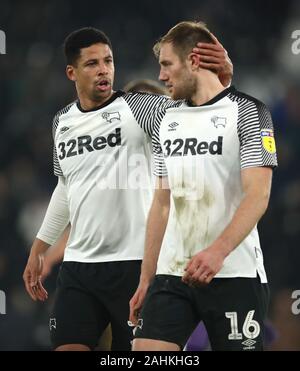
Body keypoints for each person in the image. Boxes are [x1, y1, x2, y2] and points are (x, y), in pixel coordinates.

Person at [23, 27, 233, 351]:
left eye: (108, 61)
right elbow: (65, 187)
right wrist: (40, 247)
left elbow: (197, 113)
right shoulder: (61, 122)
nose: (104, 69)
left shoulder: (140, 109)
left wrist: (220, 79)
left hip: (133, 265)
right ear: (71, 72)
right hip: (78, 269)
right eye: (92, 63)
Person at [130, 21, 278, 351]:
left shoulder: (249, 111)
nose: (162, 76)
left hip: (233, 273)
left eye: (167, 65)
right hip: (172, 275)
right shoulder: (164, 119)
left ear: (194, 61)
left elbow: (258, 194)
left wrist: (217, 252)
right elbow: (162, 203)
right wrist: (147, 277)